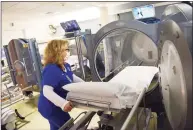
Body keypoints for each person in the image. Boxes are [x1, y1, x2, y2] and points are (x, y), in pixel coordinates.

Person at [38, 39, 84, 130]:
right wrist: (63, 103)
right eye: (66, 50)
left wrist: (89, 87)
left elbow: (73, 78)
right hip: (50, 107)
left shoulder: (65, 65)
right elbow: (47, 91)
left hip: (56, 106)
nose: (68, 52)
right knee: (68, 126)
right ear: (57, 52)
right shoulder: (51, 69)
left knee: (56, 128)